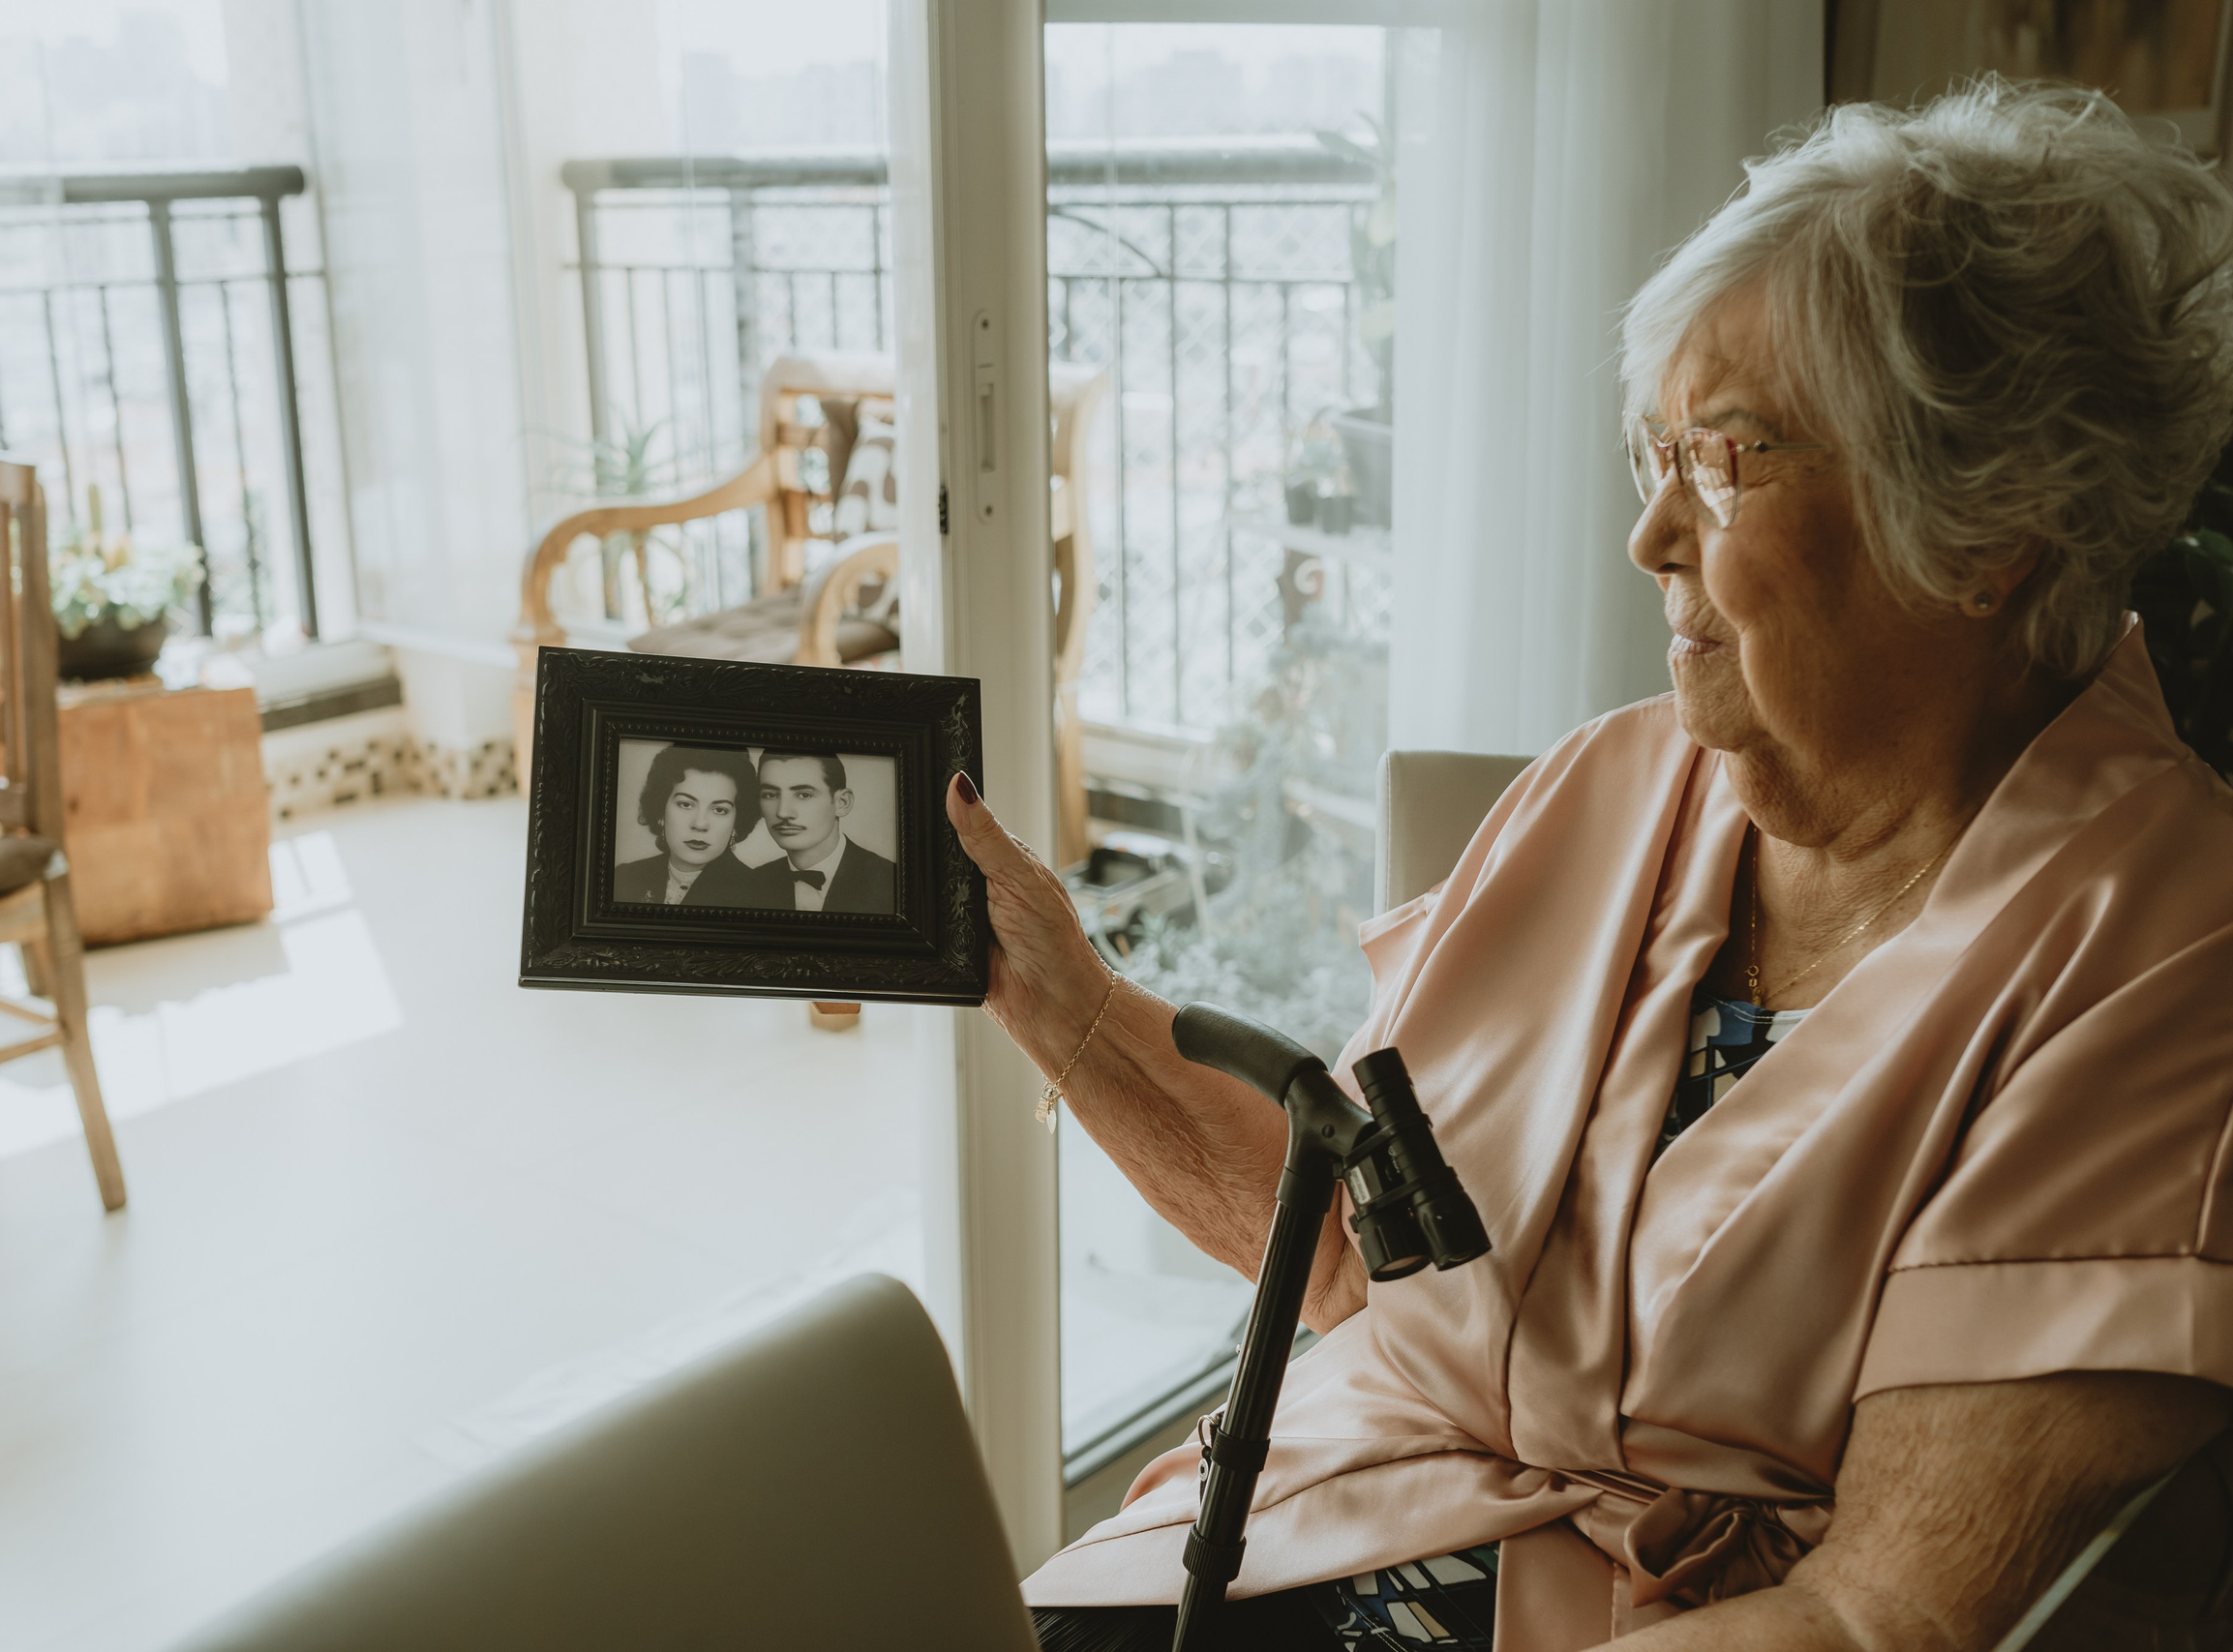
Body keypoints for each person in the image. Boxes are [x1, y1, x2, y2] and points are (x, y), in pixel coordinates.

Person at [952, 81, 2233, 1651]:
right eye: (1655, 453)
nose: (1649, 537)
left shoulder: (2172, 949)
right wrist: (1064, 998)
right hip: (1285, 1531)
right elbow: (1361, 1253)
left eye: (1726, 459)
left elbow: (1876, 1613)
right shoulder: (1609, 789)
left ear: (1984, 532)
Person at [610, 743, 783, 909]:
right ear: (661, 812)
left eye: (720, 810)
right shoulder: (625, 877)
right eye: (686, 804)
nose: (700, 824)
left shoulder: (759, 894)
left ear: (736, 822)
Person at [748, 747, 897, 914]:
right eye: (771, 795)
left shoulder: (893, 882)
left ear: (842, 803)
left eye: (804, 795)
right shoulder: (752, 883)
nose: (783, 812)